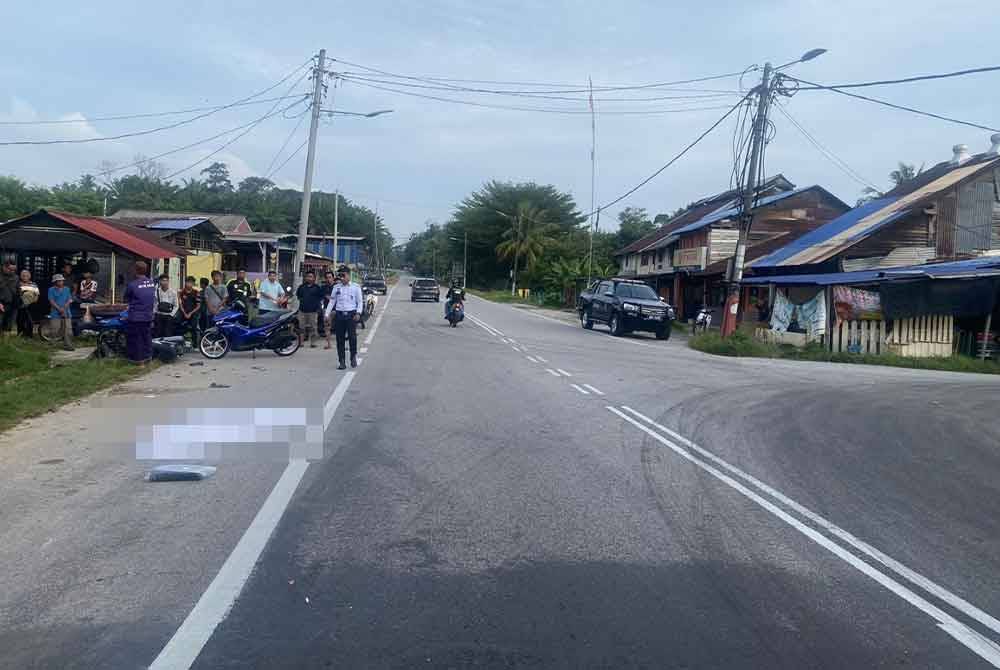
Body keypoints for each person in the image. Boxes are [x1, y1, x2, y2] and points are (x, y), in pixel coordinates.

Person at [324, 266, 363, 369]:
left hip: (351, 315)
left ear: (348, 275)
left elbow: (359, 302)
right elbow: (332, 301)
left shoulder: (356, 287)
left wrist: (358, 313)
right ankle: (341, 361)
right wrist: (327, 314)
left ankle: (353, 356)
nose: (341, 278)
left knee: (352, 337)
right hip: (340, 315)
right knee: (339, 339)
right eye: (340, 275)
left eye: (343, 275)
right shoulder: (336, 287)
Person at [124, 262, 156, 365]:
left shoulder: (132, 285)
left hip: (136, 317)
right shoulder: (152, 283)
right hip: (148, 316)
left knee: (136, 339)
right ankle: (148, 358)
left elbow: (126, 299)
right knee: (147, 338)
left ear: (135, 270)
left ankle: (139, 361)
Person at [295, 270, 325, 348]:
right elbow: (298, 296)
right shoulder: (301, 287)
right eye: (307, 276)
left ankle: (313, 343)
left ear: (314, 278)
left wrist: (318, 308)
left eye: (311, 277)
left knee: (313, 328)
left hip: (313, 311)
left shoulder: (317, 288)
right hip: (302, 310)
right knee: (301, 327)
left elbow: (320, 298)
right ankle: (300, 343)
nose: (309, 278)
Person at [47, 273, 74, 350]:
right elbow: (51, 301)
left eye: (61, 281)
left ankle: (68, 345)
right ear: (55, 282)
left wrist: (64, 309)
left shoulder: (67, 289)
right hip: (55, 312)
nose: (61, 282)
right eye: (59, 281)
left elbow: (69, 300)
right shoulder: (51, 290)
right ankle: (52, 345)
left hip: (66, 312)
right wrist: (59, 309)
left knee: (68, 330)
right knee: (54, 330)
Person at [176, 276, 202, 347]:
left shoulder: (196, 292)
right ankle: (178, 343)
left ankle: (195, 345)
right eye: (187, 282)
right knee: (177, 323)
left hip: (193, 312)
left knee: (194, 327)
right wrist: (184, 313)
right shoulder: (181, 292)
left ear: (193, 283)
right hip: (183, 311)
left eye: (191, 282)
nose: (189, 284)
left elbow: (198, 305)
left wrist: (190, 313)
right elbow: (180, 304)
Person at [16, 269, 39, 338]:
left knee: (30, 321)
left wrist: (34, 300)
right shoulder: (18, 284)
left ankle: (29, 336)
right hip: (21, 306)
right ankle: (20, 335)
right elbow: (16, 294)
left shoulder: (34, 284)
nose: (25, 277)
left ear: (30, 276)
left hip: (31, 305)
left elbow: (37, 294)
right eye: (23, 275)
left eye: (26, 275)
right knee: (20, 321)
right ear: (20, 276)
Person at [317, 270, 336, 346]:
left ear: (333, 278)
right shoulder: (323, 287)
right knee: (327, 325)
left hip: (337, 309)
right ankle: (328, 344)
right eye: (327, 278)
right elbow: (320, 297)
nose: (328, 279)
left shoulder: (337, 287)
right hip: (326, 309)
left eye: (330, 277)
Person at [0, 259, 17, 336]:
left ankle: (6, 344)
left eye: (14, 270)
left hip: (12, 305)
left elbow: (18, 289)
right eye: (10, 269)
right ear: (4, 267)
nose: (12, 271)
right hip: (1, 304)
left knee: (9, 325)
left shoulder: (16, 277)